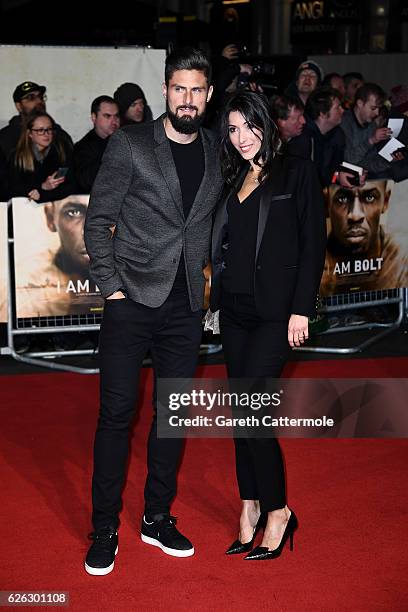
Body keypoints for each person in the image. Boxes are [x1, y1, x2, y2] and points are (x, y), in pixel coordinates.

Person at [83, 46, 223, 575]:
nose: (187, 99)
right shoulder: (131, 143)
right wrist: (112, 288)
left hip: (185, 304)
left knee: (173, 415)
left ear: (208, 96)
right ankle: (104, 528)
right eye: (179, 89)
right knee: (116, 416)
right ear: (166, 91)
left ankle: (156, 517)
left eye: (197, 91)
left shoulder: (216, 149)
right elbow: (98, 220)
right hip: (130, 301)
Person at [210, 91, 326, 560]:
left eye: (247, 126)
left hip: (276, 313)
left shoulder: (297, 170)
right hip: (235, 312)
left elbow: (313, 244)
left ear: (265, 123)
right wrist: (216, 303)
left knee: (254, 412)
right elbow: (226, 245)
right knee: (242, 414)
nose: (240, 138)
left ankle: (278, 510)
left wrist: (302, 308)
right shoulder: (233, 174)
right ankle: (250, 506)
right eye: (232, 130)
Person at [13, 195, 101, 317]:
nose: (89, 231)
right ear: (50, 217)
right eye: (74, 212)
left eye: (105, 212)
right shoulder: (24, 288)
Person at [320, 179, 408, 295]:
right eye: (342, 199)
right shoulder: (311, 267)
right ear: (326, 204)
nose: (355, 215)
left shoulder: (402, 262)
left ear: (385, 201)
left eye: (369, 198)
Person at [7, 110, 73, 202]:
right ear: (29, 133)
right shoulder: (17, 157)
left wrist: (43, 193)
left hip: (55, 207)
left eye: (49, 129)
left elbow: (70, 186)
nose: (46, 134)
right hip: (25, 209)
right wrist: (42, 186)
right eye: (40, 130)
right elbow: (12, 189)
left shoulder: (62, 152)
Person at [0, 81, 72, 161]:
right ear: (19, 106)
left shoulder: (58, 134)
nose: (39, 101)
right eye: (31, 98)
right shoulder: (6, 138)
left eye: (41, 97)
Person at [72, 96, 120, 194]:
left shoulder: (125, 141)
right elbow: (86, 182)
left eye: (116, 116)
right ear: (94, 117)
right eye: (107, 116)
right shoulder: (82, 149)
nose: (114, 121)